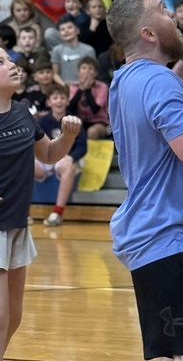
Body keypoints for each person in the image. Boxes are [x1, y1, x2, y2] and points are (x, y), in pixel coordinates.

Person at [105, 0, 183, 361]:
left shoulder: (123, 81)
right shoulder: (159, 83)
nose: (175, 18)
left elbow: (150, 115)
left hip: (144, 239)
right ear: (149, 34)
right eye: (164, 11)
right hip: (168, 240)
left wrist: (178, 71)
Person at [0, 47, 81, 361]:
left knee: (15, 316)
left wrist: (68, 136)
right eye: (1, 62)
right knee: (2, 315)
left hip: (17, 223)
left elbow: (48, 155)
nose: (12, 65)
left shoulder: (22, 112)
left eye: (10, 59)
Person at [34, 83, 88, 226]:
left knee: (69, 167)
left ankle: (57, 213)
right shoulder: (41, 122)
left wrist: (70, 157)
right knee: (26, 164)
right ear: (49, 101)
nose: (58, 101)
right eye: (55, 97)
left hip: (65, 159)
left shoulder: (74, 121)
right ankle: (24, 212)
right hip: (45, 159)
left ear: (67, 101)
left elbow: (82, 147)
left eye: (62, 97)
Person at [68, 57, 110, 139]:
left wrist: (87, 89)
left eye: (90, 68)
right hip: (80, 121)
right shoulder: (73, 87)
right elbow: (70, 107)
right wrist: (81, 89)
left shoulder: (102, 87)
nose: (87, 71)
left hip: (99, 121)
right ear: (78, 72)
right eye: (84, 68)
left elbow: (95, 109)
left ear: (95, 73)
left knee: (92, 132)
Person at [50, 14, 96, 87]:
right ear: (60, 34)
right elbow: (55, 74)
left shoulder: (89, 50)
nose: (66, 31)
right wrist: (64, 85)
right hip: (64, 89)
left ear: (77, 30)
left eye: (70, 27)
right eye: (62, 29)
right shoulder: (57, 50)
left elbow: (93, 72)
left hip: (85, 87)